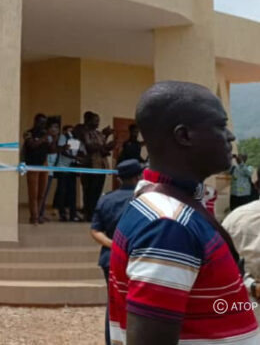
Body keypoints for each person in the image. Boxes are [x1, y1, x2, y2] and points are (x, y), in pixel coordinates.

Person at [108, 81, 258, 344]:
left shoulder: (171, 206)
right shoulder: (168, 224)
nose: (231, 136)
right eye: (220, 126)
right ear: (184, 136)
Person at [90, 159, 143, 345]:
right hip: (140, 258)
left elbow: (95, 231)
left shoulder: (106, 199)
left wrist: (115, 245)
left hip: (110, 258)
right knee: (140, 304)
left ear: (119, 178)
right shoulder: (145, 199)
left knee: (113, 303)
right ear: (139, 176)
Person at [223, 200, 260, 324]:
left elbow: (222, 267)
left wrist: (250, 284)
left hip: (244, 311)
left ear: (256, 185)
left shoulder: (235, 217)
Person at [78, 112, 115, 221]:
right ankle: (87, 214)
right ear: (88, 121)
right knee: (89, 190)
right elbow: (89, 147)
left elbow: (102, 148)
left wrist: (109, 146)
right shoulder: (85, 132)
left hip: (101, 166)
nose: (98, 123)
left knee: (98, 190)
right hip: (90, 165)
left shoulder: (99, 133)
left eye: (98, 120)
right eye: (95, 120)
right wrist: (103, 144)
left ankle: (94, 213)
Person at [23, 114, 53, 225]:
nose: (43, 125)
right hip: (32, 165)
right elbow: (32, 145)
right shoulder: (28, 133)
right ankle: (33, 217)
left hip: (44, 164)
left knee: (42, 193)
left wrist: (53, 140)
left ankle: (39, 214)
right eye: (41, 122)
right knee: (33, 193)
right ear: (35, 121)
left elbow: (51, 150)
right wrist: (44, 138)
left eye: (44, 123)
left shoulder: (45, 134)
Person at [53, 125, 81, 222]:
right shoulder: (64, 137)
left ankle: (73, 215)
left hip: (72, 167)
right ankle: (62, 214)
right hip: (63, 167)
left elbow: (74, 153)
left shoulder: (76, 140)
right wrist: (74, 157)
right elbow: (61, 151)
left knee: (72, 191)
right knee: (62, 191)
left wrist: (77, 159)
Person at [39, 118, 61, 221]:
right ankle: (38, 214)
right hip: (45, 168)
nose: (55, 129)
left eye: (57, 127)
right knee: (42, 193)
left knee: (45, 193)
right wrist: (55, 138)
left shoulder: (54, 139)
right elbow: (51, 150)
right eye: (53, 127)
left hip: (51, 169)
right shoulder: (48, 138)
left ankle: (41, 213)